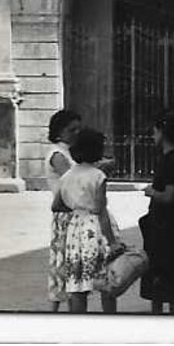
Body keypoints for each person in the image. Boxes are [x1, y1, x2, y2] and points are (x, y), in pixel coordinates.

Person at [54, 127, 118, 313]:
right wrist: (112, 242)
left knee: (78, 284)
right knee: (106, 283)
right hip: (95, 230)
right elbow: (101, 211)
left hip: (75, 230)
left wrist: (76, 206)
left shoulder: (67, 176)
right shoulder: (98, 176)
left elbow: (56, 205)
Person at [139, 112, 174, 314]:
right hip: (170, 220)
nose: (153, 136)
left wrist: (151, 191)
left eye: (155, 132)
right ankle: (172, 313)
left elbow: (169, 195)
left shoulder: (172, 160)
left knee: (162, 270)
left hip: (165, 222)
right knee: (172, 273)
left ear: (163, 133)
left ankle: (161, 315)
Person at [45, 108, 82, 312]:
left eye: (78, 129)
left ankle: (61, 309)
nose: (76, 133)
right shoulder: (58, 155)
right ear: (59, 132)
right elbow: (72, 182)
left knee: (66, 264)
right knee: (62, 265)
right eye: (72, 130)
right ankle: (56, 311)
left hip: (70, 213)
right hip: (65, 214)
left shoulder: (66, 152)